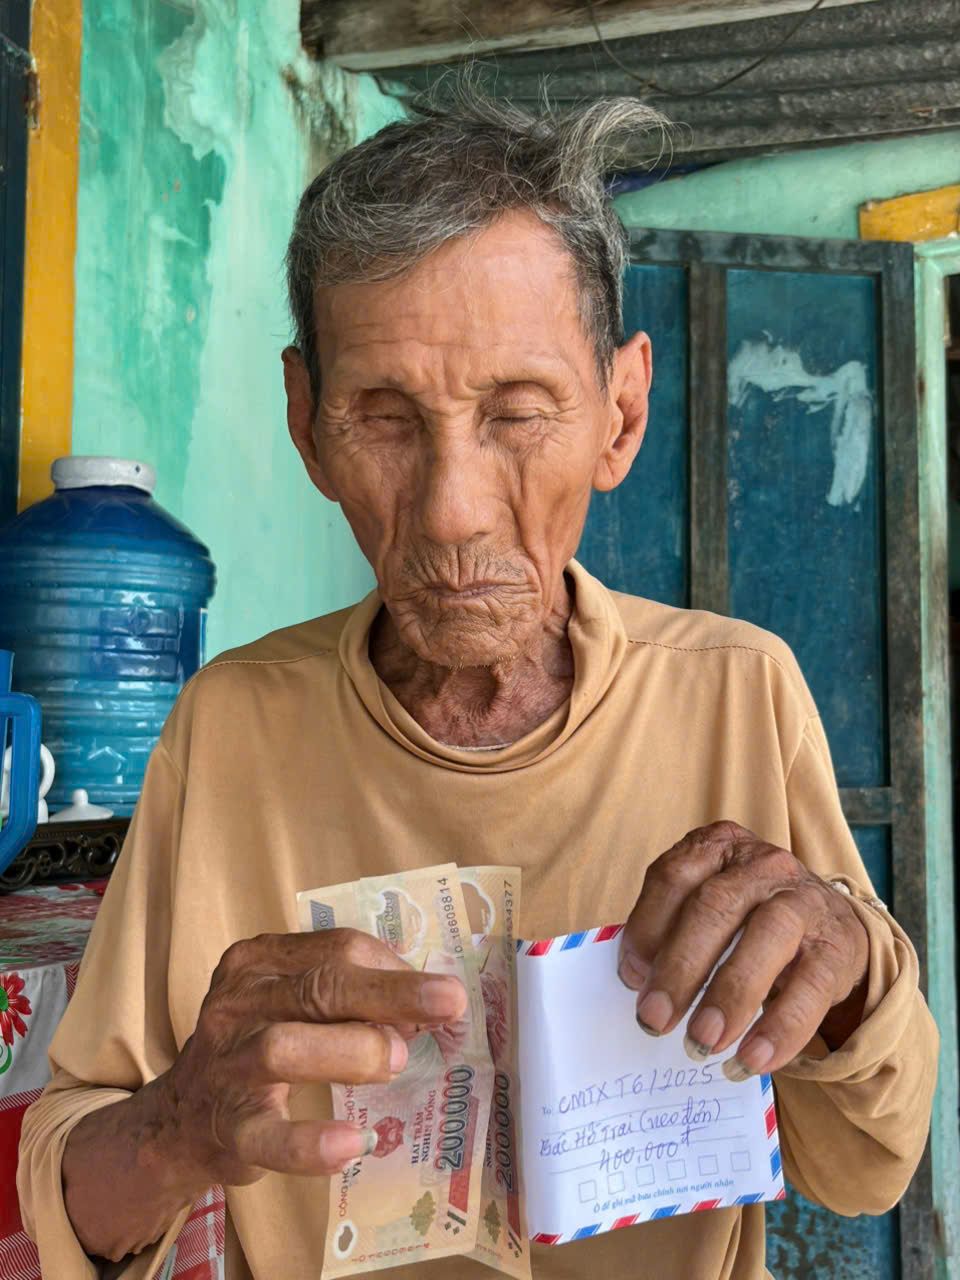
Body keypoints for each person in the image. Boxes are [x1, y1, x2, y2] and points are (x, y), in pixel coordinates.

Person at [19, 81, 937, 1280]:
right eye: (383, 416)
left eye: (517, 412)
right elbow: (75, 1200)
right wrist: (178, 1121)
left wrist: (849, 965)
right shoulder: (232, 724)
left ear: (621, 414)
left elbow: (868, 1163)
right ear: (306, 422)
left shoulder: (735, 692)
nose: (453, 512)